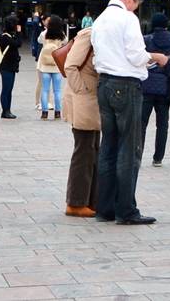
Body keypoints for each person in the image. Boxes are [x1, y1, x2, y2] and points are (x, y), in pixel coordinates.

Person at [90, 0, 170, 226]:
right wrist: (156, 57)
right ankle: (126, 209)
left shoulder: (100, 19)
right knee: (129, 148)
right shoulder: (127, 18)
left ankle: (105, 208)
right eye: (137, 4)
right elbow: (136, 55)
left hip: (104, 83)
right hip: (125, 86)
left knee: (108, 147)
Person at [62, 20, 101, 216]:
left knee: (93, 150)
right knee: (84, 151)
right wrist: (82, 90)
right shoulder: (88, 35)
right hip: (84, 99)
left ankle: (91, 200)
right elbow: (70, 65)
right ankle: (76, 203)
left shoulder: (102, 35)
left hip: (92, 99)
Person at [141, 12, 170, 167]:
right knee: (162, 124)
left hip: (146, 86)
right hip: (164, 87)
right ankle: (158, 158)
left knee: (141, 123)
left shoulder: (146, 40)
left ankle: (138, 154)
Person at [37, 17, 68, 120]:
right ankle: (57, 112)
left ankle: (44, 112)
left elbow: (39, 41)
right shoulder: (61, 35)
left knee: (45, 90)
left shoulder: (44, 34)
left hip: (45, 65)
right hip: (57, 65)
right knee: (57, 90)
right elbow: (65, 42)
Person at [0, 15, 22, 119]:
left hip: (10, 66)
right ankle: (5, 111)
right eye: (16, 24)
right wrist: (19, 33)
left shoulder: (9, 35)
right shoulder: (5, 37)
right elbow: (18, 44)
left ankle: (8, 110)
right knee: (6, 89)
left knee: (9, 89)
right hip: (6, 66)